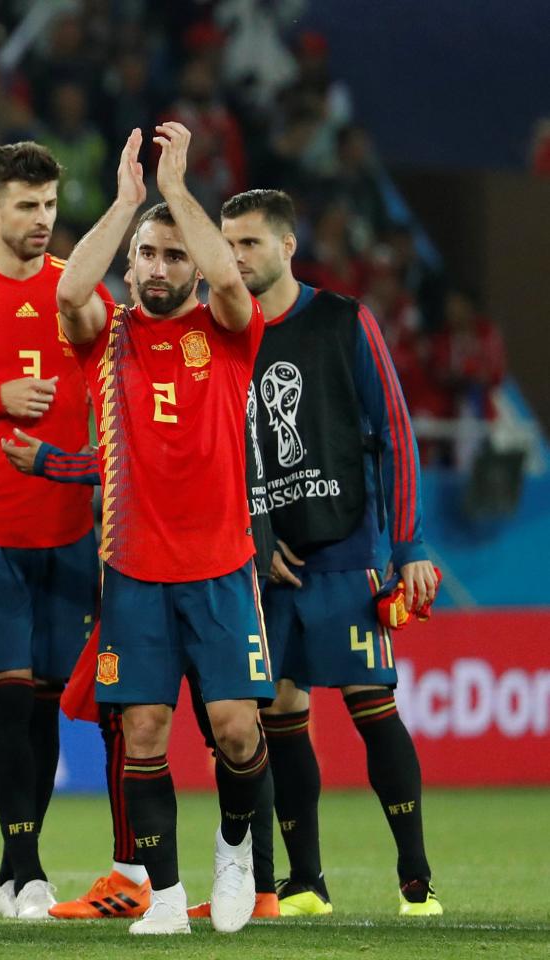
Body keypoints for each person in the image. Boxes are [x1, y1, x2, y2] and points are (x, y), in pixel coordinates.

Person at [54, 123, 271, 936]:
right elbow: (70, 293)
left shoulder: (228, 330)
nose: (157, 268)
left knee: (236, 730)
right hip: (135, 571)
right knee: (143, 731)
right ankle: (169, 900)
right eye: (147, 255)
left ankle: (237, 844)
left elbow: (229, 277)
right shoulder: (105, 338)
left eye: (172, 257)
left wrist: (179, 197)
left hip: (220, 566)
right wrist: (127, 204)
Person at [221, 188, 442, 917]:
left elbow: (397, 435)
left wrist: (406, 545)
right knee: (281, 712)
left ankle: (415, 877)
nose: (236, 256)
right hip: (267, 562)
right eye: (228, 244)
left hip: (346, 548)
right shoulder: (227, 335)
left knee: (369, 702)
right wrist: (252, 541)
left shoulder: (345, 321)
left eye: (249, 243)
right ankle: (305, 881)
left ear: (287, 246)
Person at [0, 141, 108, 921]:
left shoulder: (75, 293)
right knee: (7, 699)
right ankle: (25, 867)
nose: (41, 221)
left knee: (43, 704)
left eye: (49, 206)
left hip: (72, 530)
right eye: (26, 207)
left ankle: (18, 874)